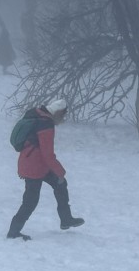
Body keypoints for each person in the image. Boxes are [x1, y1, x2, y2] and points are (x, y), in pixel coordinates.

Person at [6, 97, 84, 240]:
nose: (63, 119)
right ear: (58, 113)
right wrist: (60, 172)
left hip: (34, 163)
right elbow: (47, 154)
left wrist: (59, 174)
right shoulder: (45, 125)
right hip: (34, 167)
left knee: (60, 184)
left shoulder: (37, 115)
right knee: (30, 201)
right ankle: (13, 232)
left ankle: (66, 219)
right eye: (63, 116)